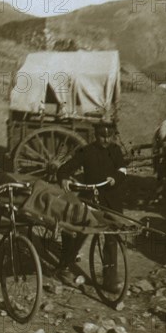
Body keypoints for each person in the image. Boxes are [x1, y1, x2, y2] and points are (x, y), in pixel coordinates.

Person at [56, 123, 127, 290]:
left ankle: (110, 278)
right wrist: (64, 178)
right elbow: (65, 169)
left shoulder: (116, 151)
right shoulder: (86, 152)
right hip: (90, 199)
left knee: (111, 238)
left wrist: (115, 178)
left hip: (112, 201)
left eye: (109, 136)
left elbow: (123, 170)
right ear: (95, 136)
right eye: (102, 136)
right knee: (79, 231)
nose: (106, 140)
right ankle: (65, 265)